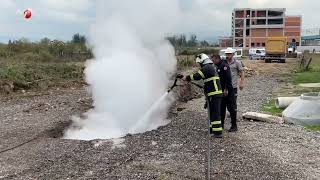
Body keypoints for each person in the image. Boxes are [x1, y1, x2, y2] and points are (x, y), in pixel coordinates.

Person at [182, 53, 223, 138]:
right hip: (213, 93)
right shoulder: (211, 66)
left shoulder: (207, 67)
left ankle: (218, 133)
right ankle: (212, 129)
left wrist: (187, 78)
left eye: (199, 63)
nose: (199, 65)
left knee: (215, 113)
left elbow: (197, 76)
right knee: (212, 112)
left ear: (202, 61)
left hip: (214, 93)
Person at [212, 55, 236, 132]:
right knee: (221, 109)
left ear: (217, 59)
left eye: (213, 60)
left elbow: (228, 78)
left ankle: (234, 126)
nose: (213, 62)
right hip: (220, 91)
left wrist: (226, 89)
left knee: (231, 108)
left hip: (227, 91)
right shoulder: (218, 66)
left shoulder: (224, 66)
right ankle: (221, 125)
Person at [224, 48, 245, 132]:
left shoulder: (237, 63)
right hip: (224, 87)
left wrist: (241, 83)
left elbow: (242, 72)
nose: (228, 55)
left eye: (229, 54)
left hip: (233, 87)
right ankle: (228, 116)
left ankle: (234, 122)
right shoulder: (224, 62)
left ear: (233, 54)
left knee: (233, 104)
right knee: (224, 104)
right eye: (227, 54)